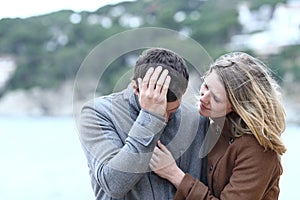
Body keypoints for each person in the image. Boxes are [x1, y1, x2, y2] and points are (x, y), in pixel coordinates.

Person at [149, 51, 287, 199]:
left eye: (215, 98)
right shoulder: (209, 125)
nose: (204, 97)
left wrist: (173, 173)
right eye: (206, 86)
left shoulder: (259, 150)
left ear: (237, 106)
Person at [78, 47, 209, 199]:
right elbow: (114, 184)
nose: (164, 119)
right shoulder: (97, 113)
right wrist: (151, 117)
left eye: (171, 111)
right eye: (160, 112)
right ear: (135, 87)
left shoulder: (196, 120)